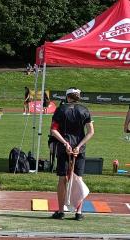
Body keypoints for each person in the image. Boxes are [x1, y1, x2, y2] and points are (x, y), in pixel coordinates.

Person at [50, 87, 94, 221]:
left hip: (64, 149)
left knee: (62, 179)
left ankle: (61, 211)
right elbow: (91, 132)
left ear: (67, 96)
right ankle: (79, 212)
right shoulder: (84, 110)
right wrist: (79, 146)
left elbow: (53, 130)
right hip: (79, 150)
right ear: (78, 97)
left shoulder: (61, 109)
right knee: (78, 178)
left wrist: (65, 143)